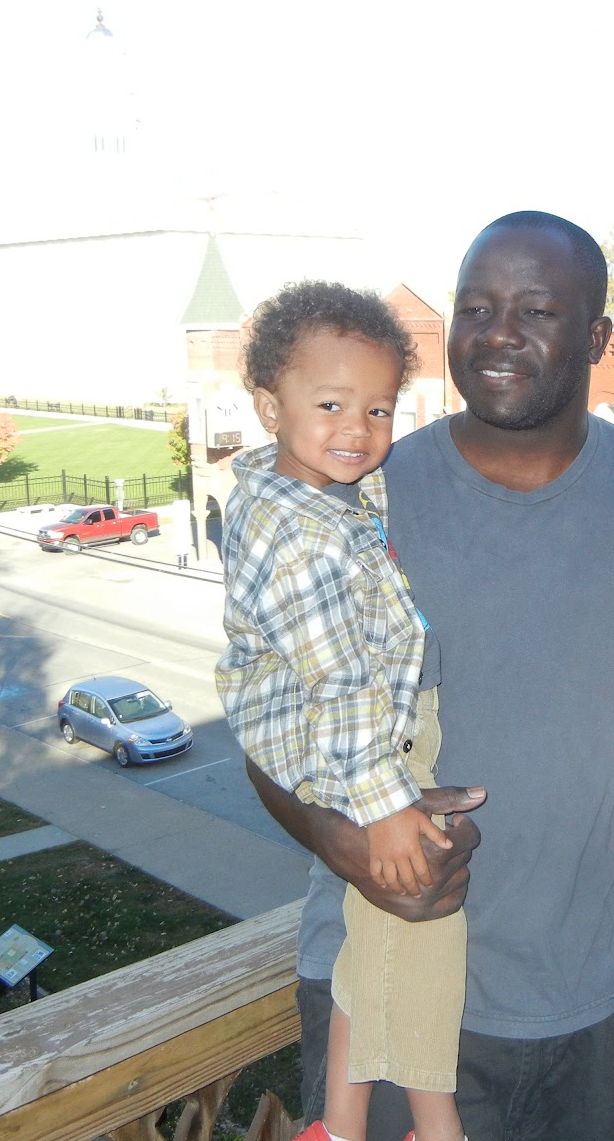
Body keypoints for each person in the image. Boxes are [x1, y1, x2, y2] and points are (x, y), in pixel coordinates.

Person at [246, 211, 614, 1141]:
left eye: (536, 311)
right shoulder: (356, 495)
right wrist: (345, 844)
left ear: (597, 336)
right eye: (475, 308)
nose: (498, 334)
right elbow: (265, 718)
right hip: (387, 988)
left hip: (604, 992)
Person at [217, 281, 464, 1141]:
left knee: (371, 924)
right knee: (420, 911)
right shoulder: (301, 538)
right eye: (330, 405)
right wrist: (386, 805)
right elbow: (340, 683)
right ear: (269, 406)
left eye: (379, 410)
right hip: (340, 738)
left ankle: (341, 1122)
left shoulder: (307, 491)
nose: (358, 429)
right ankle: (437, 1125)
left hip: (337, 728)